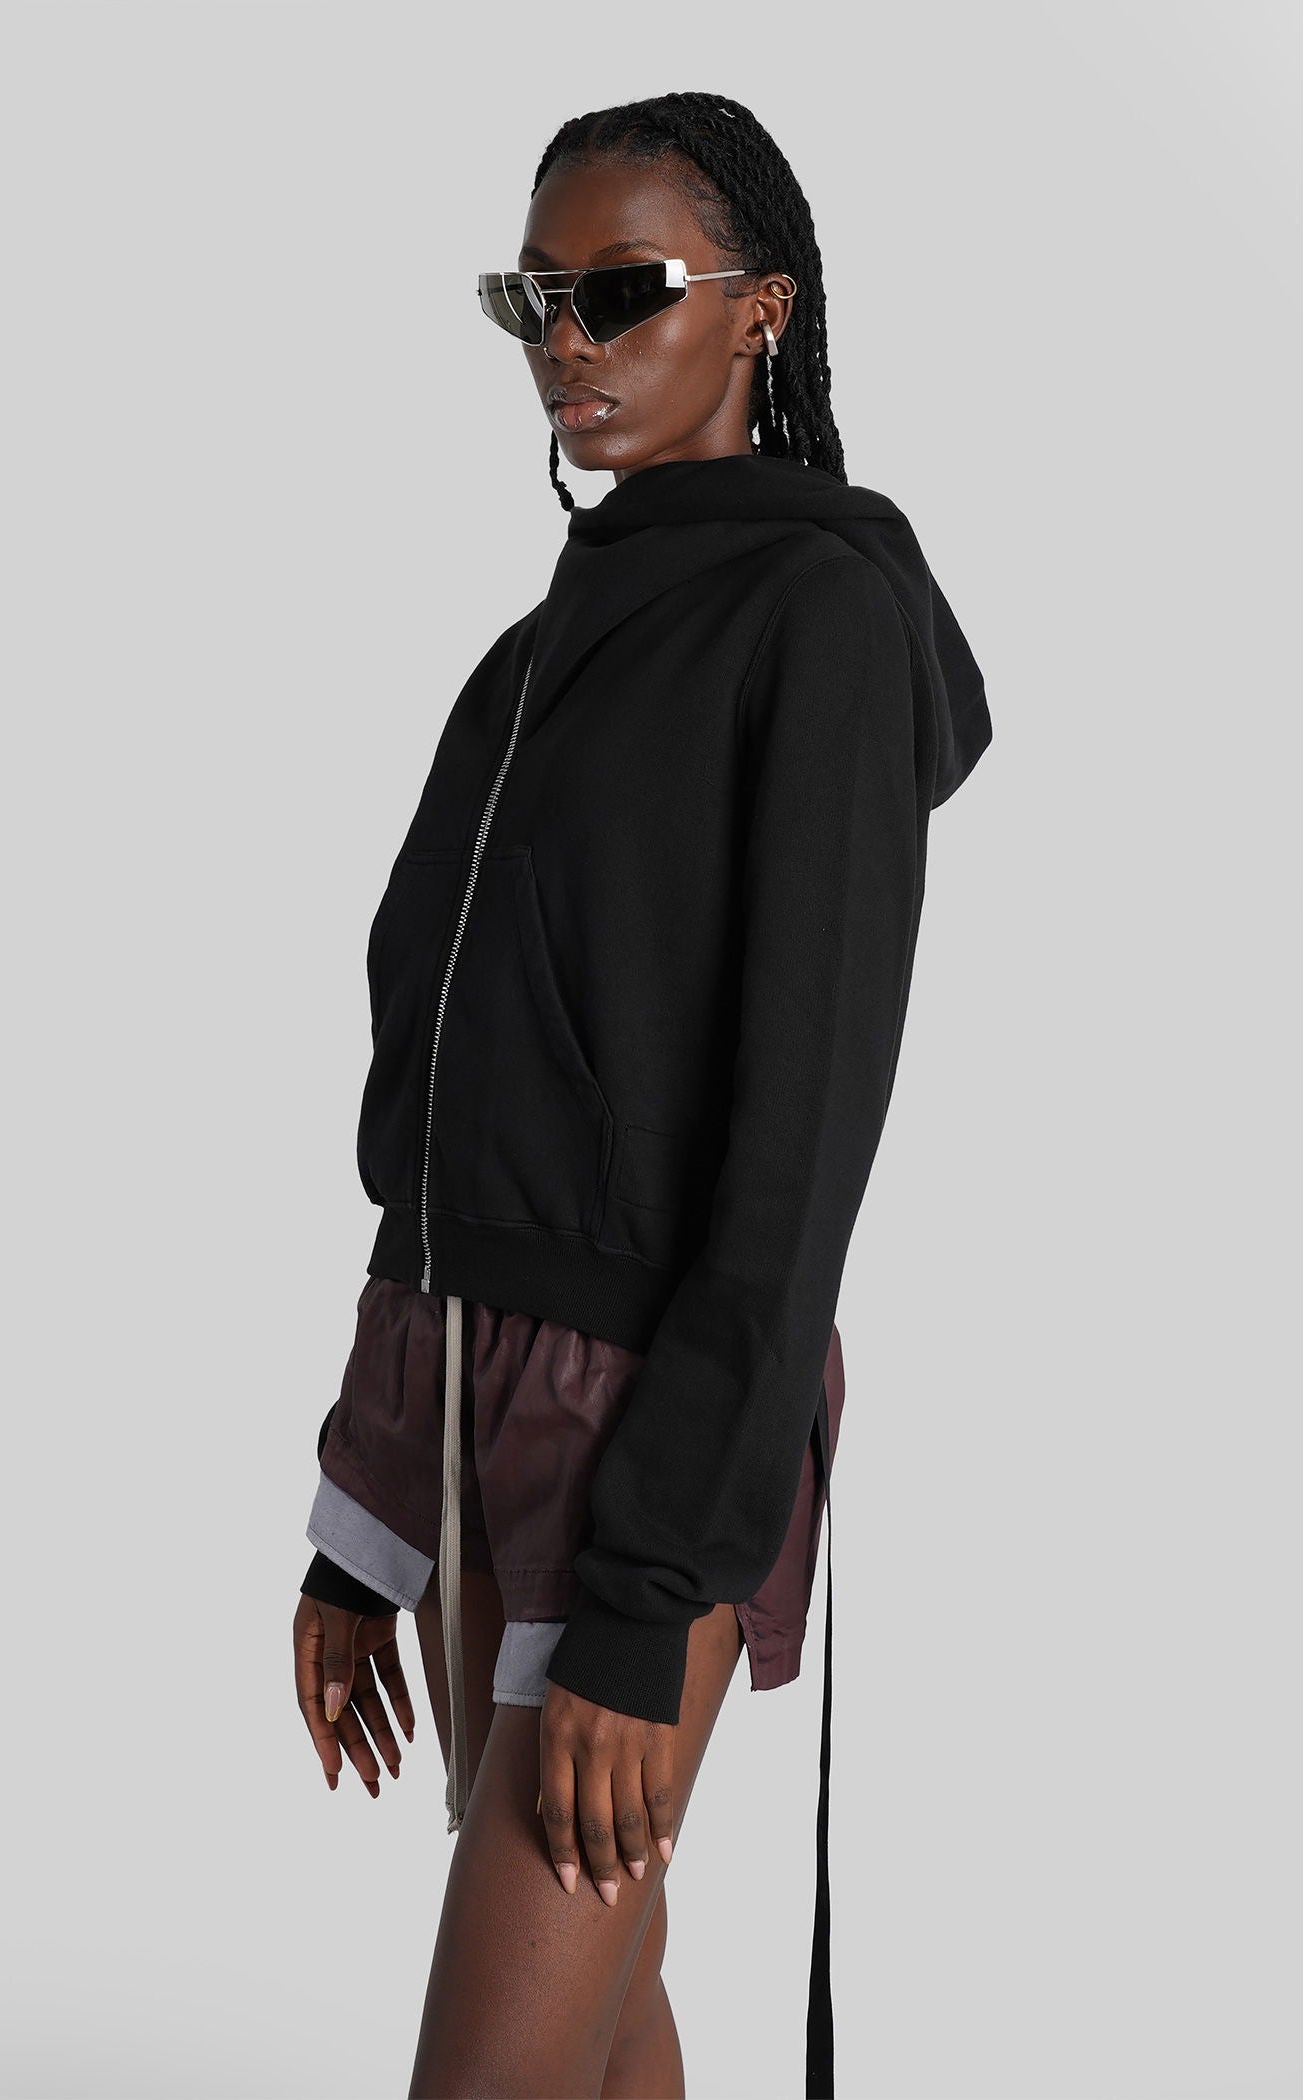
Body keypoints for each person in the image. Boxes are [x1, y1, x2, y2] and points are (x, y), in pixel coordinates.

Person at [292, 90, 992, 2100]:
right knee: (600, 2026)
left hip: (653, 1422)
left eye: (620, 291)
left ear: (761, 307)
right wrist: (365, 1511)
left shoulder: (820, 620)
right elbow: (444, 1110)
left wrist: (656, 1578)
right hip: (464, 1390)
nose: (565, 341)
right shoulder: (538, 649)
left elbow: (797, 1153)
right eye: (535, 298)